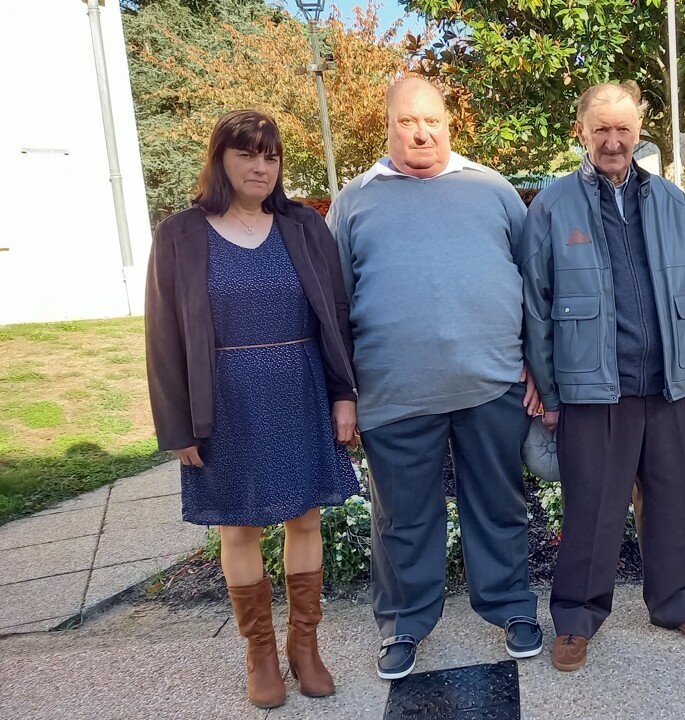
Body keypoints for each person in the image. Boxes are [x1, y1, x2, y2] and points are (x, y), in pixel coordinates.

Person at [327, 76, 544, 680]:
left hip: (491, 382)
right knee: (402, 518)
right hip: (393, 392)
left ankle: (511, 606)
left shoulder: (494, 190)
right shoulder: (354, 202)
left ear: (449, 124)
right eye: (407, 122)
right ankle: (403, 622)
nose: (421, 133)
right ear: (388, 125)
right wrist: (343, 391)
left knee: (499, 505)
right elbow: (334, 304)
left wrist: (537, 363)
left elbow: (534, 284)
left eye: (432, 121)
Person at [145, 110, 359, 709]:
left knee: (306, 520)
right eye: (246, 154)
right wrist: (176, 425)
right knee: (238, 526)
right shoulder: (181, 234)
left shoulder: (304, 226)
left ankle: (304, 646)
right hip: (225, 400)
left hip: (300, 389)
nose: (260, 167)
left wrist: (344, 394)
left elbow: (336, 315)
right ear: (220, 159)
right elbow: (162, 336)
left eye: (270, 156)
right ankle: (260, 654)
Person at [521, 81, 685, 672]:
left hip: (665, 381)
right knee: (593, 508)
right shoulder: (553, 206)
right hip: (592, 387)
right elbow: (536, 306)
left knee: (670, 499)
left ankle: (674, 602)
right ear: (580, 132)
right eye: (601, 130)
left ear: (639, 133)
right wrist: (550, 393)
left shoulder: (670, 201)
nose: (613, 141)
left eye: (624, 130)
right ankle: (576, 618)